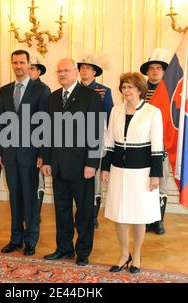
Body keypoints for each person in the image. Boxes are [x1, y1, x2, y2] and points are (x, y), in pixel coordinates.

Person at [42, 58, 104, 266]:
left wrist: (92, 163)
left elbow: (96, 133)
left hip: (81, 167)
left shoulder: (91, 97)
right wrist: (47, 160)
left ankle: (83, 252)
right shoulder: (53, 98)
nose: (62, 74)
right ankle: (64, 248)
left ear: (76, 72)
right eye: (59, 71)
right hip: (58, 165)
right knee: (61, 210)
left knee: (85, 212)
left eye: (66, 71)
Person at [101, 72, 163, 274]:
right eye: (124, 87)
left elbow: (157, 146)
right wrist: (105, 168)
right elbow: (109, 142)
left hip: (143, 172)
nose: (126, 91)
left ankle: (136, 255)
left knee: (139, 215)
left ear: (139, 89)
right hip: (119, 170)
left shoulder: (153, 112)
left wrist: (156, 174)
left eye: (130, 87)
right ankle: (123, 254)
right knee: (120, 214)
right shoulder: (115, 110)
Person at [0, 50, 50, 256]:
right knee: (14, 198)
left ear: (29, 65)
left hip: (31, 155)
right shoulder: (5, 90)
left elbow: (45, 125)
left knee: (30, 198)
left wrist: (42, 154)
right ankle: (15, 238)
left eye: (22, 62)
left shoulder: (41, 90)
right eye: (15, 62)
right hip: (9, 155)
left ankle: (31, 239)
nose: (18, 66)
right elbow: (1, 122)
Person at [77, 54, 114, 229]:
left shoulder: (104, 91)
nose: (84, 70)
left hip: (96, 139)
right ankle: (81, 214)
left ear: (94, 72)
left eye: (88, 68)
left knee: (95, 181)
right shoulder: (73, 89)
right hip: (76, 142)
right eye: (82, 67)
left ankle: (93, 217)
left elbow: (109, 117)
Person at [139, 48, 173, 235]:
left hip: (163, 145)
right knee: (144, 184)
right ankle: (145, 219)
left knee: (161, 183)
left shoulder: (171, 93)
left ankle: (158, 221)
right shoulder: (139, 91)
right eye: (151, 68)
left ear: (164, 71)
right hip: (143, 145)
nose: (154, 71)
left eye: (158, 68)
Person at [28, 57, 51, 222]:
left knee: (38, 180)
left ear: (39, 71)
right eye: (28, 68)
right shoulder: (18, 89)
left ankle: (37, 212)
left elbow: (46, 120)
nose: (29, 71)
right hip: (22, 143)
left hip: (38, 142)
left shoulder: (44, 89)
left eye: (33, 68)